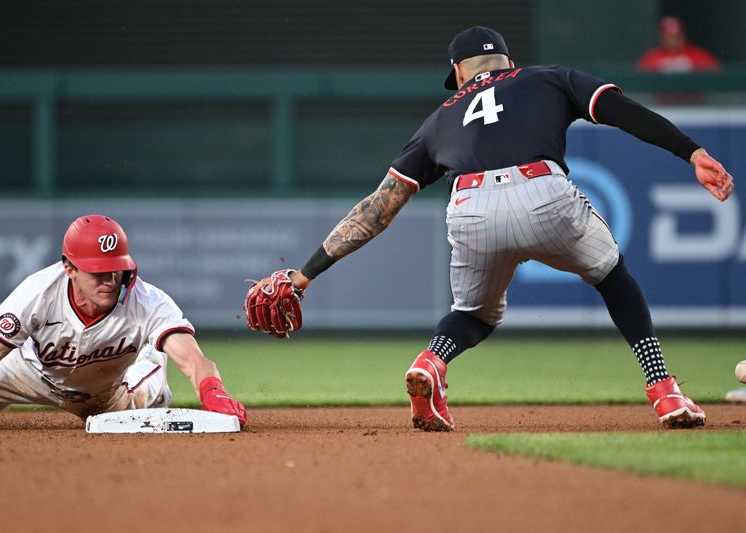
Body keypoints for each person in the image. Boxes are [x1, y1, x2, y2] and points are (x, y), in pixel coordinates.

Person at [247, 26, 734, 431]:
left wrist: (306, 274)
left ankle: (432, 362)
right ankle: (665, 391)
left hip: (470, 205)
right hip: (543, 191)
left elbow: (378, 209)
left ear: (459, 72)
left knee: (474, 315)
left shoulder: (439, 119)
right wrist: (690, 150)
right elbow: (623, 111)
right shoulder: (549, 78)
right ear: (506, 61)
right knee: (612, 275)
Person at [0, 214, 247, 429]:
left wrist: (212, 391)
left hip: (103, 393)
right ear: (69, 269)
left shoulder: (149, 302)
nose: (109, 278)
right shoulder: (38, 291)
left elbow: (194, 359)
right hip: (27, 373)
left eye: (115, 269)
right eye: (97, 270)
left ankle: (150, 359)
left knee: (145, 406)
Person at [638, 16, 720, 73]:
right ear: (662, 37)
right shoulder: (653, 56)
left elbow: (715, 70)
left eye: (676, 36)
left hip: (691, 96)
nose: (673, 40)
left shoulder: (697, 54)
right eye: (669, 36)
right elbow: (641, 71)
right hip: (662, 97)